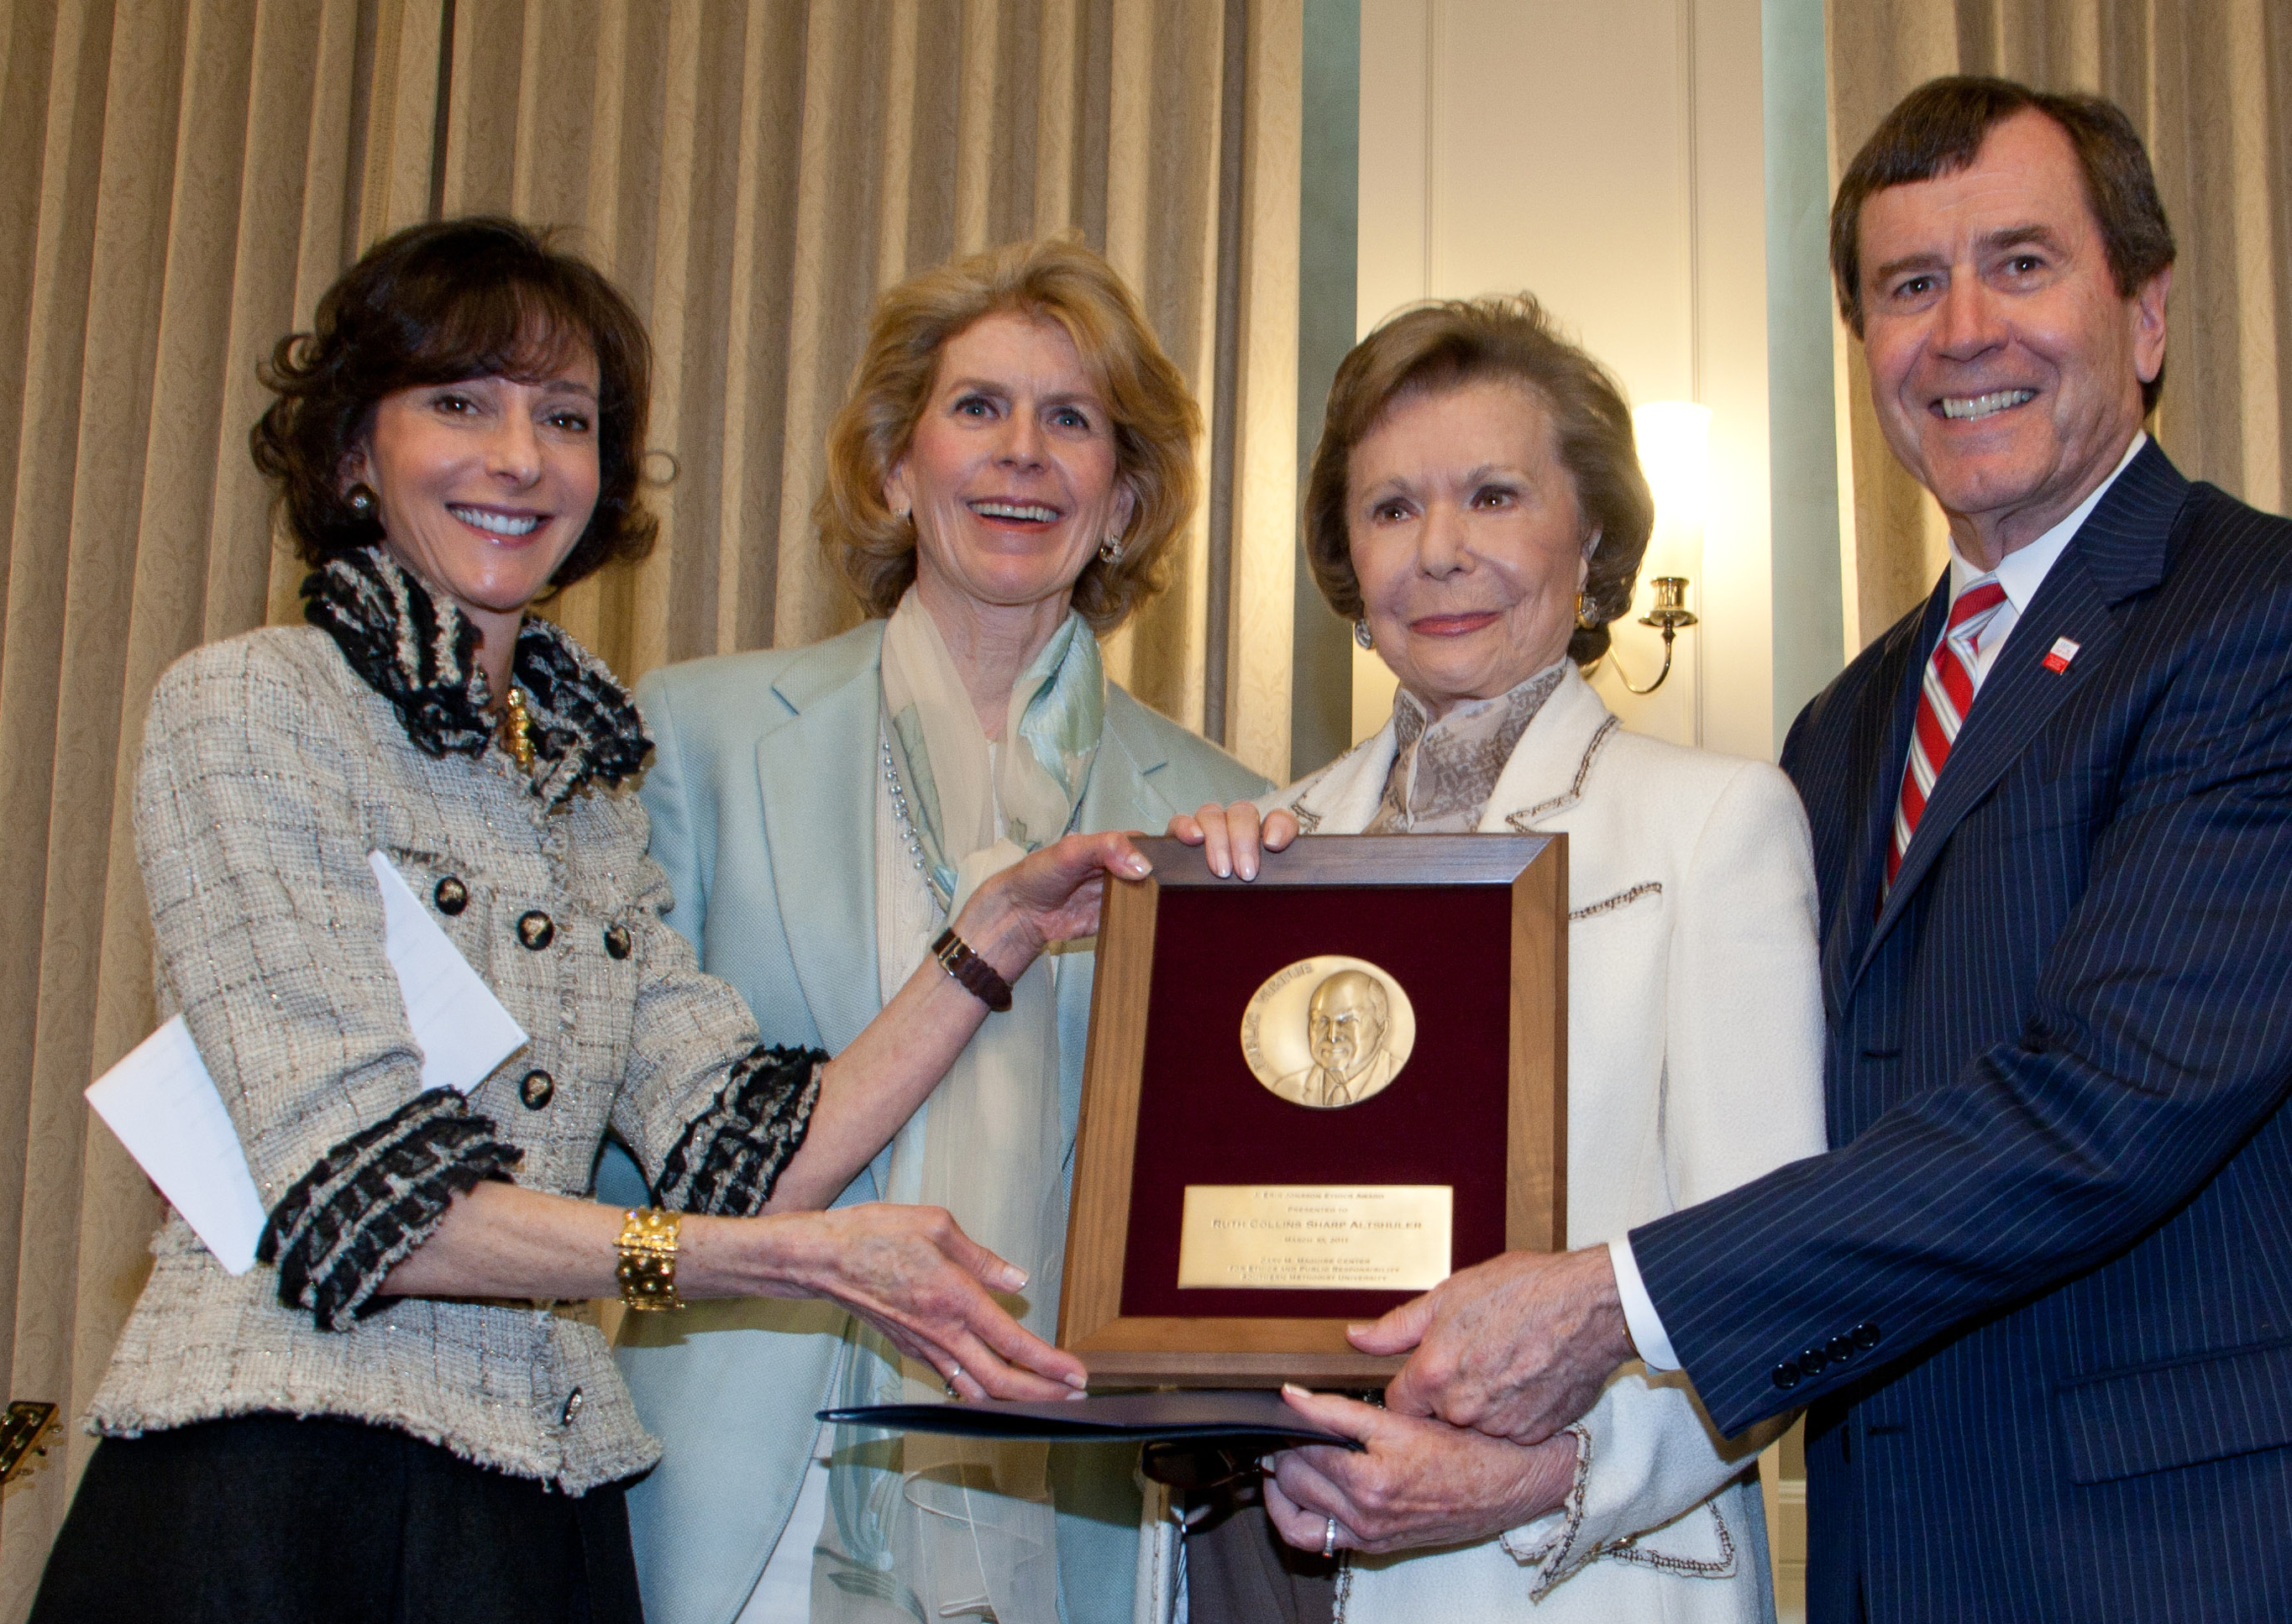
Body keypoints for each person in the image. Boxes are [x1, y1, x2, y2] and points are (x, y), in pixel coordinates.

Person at [1354, 78, 2292, 1623]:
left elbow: (2109, 1102)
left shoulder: (2283, 622)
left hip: (2204, 1542)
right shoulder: (1846, 727)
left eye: (2020, 263)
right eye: (1907, 287)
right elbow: (1779, 1132)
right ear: (1865, 350)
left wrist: (1612, 1295)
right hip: (1905, 1547)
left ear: (2146, 310)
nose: (1962, 328)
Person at [31, 217, 1145, 1624]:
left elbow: (739, 1146)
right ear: (350, 452)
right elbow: (371, 1204)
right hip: (283, 1475)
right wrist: (778, 1260)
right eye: (459, 402)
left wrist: (992, 936)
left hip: (539, 1497)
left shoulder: (579, 776)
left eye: (565, 416)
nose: (517, 455)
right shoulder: (255, 702)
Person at [597, 236, 1269, 1624]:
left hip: (1066, 1510)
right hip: (740, 1503)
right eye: (978, 408)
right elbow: (628, 1153)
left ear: (1126, 497)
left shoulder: (1228, 816)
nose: (1023, 453)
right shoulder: (704, 735)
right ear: (897, 468)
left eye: (1070, 419)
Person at [1167, 294, 1826, 1623]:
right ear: (1349, 565)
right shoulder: (1271, 840)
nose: (1441, 550)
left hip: (1588, 1575)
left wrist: (1532, 1476)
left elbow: (1773, 1280)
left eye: (1493, 494)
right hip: (1277, 1570)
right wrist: (1199, 927)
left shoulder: (1714, 822)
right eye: (1393, 508)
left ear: (1591, 537)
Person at [1274, 969, 1398, 1107]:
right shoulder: (1286, 1089)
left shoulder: (1403, 1081)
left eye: (1348, 1021)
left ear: (1381, 1029)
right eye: (1321, 1020)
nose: (1332, 1036)